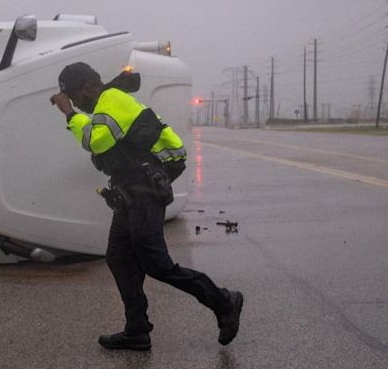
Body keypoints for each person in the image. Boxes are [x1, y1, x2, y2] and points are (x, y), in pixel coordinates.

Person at [50, 62, 243, 351]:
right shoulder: (108, 102)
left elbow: (95, 141)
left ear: (89, 87)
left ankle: (224, 301)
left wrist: (69, 114)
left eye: (76, 96)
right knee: (118, 257)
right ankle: (137, 329)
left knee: (156, 264)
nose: (77, 103)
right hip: (130, 191)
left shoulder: (111, 100)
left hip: (145, 191)